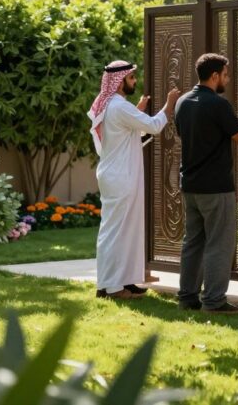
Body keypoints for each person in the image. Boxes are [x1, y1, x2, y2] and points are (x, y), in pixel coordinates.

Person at [174, 53, 238, 313]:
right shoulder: (218, 105)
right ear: (214, 76)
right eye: (226, 74)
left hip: (190, 185)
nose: (228, 79)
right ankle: (214, 301)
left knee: (193, 241)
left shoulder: (182, 103)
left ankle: (187, 297)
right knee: (219, 243)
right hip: (216, 187)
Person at [88, 61, 180, 300]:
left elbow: (131, 134)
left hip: (118, 175)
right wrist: (169, 106)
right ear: (119, 81)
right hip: (120, 177)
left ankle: (124, 282)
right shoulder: (118, 106)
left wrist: (137, 111)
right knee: (116, 232)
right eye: (131, 78)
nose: (134, 81)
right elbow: (154, 126)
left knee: (126, 230)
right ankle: (109, 287)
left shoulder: (115, 106)